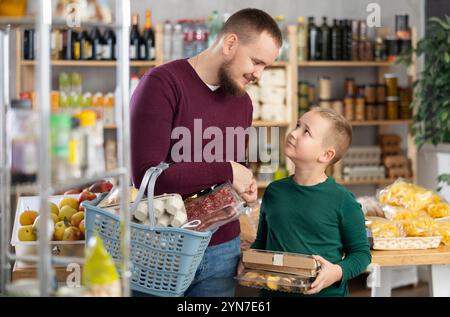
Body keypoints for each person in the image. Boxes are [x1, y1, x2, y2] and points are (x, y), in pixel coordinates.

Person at [130, 8, 282, 296]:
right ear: (230, 43)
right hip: (161, 249)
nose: (259, 74)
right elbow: (147, 179)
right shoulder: (161, 85)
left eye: (266, 67)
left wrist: (241, 188)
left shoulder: (242, 103)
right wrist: (227, 170)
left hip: (222, 251)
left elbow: (226, 179)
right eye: (256, 62)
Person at [243, 107, 371, 297]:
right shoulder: (274, 191)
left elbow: (361, 254)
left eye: (306, 132)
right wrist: (247, 260)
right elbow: (262, 242)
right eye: (297, 126)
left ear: (326, 155)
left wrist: (336, 272)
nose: (293, 134)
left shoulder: (343, 201)